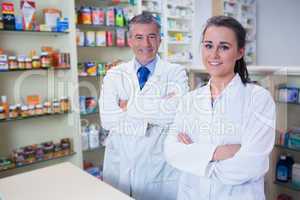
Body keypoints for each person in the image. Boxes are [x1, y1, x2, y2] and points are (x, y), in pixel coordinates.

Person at [164, 15, 276, 200]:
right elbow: (171, 152)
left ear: (240, 52)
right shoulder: (190, 100)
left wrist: (195, 157)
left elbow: (251, 165)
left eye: (224, 47)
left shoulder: (258, 99)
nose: (214, 55)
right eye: (208, 45)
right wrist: (221, 153)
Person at [99, 13, 189, 200]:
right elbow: (108, 120)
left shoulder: (175, 73)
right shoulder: (115, 74)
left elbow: (175, 114)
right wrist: (150, 120)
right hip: (119, 166)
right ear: (130, 40)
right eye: (139, 37)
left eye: (151, 37)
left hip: (158, 169)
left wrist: (128, 106)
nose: (145, 44)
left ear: (160, 40)